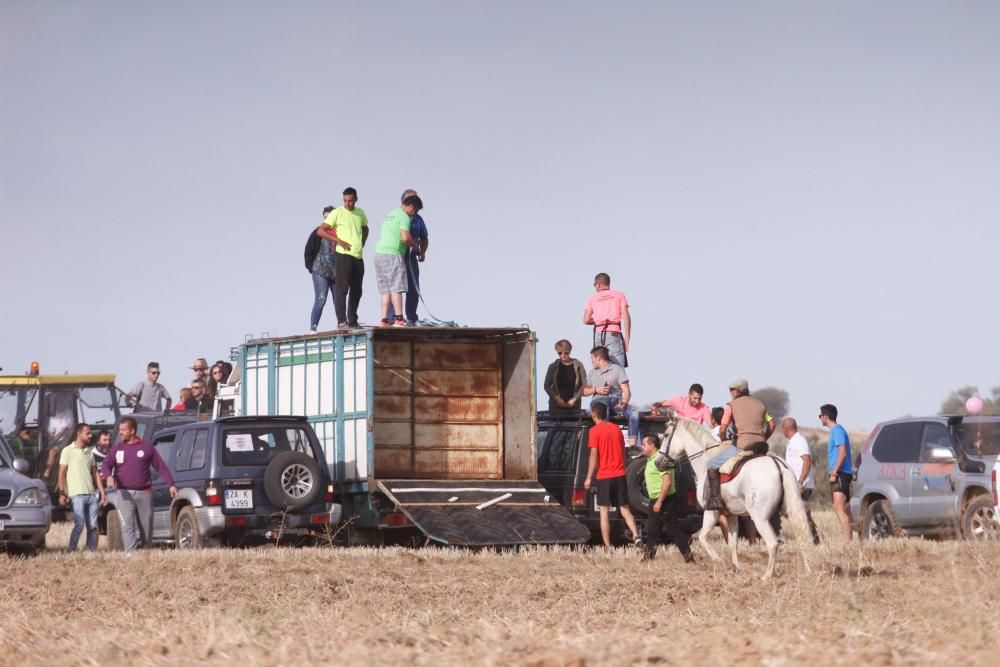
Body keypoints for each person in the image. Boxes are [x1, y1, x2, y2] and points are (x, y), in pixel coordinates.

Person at [101, 417, 177, 554]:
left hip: (144, 493)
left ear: (132, 431)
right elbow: (106, 465)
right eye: (119, 430)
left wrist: (171, 484)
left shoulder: (147, 447)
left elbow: (161, 466)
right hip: (124, 493)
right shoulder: (117, 449)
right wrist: (109, 476)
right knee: (127, 525)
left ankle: (147, 551)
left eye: (123, 430)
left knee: (146, 527)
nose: (120, 433)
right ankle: (130, 554)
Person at [704, 378, 775, 511]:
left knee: (712, 465)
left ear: (736, 391)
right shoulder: (761, 405)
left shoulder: (730, 406)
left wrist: (724, 441)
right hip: (761, 446)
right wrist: (764, 438)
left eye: (731, 390)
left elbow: (723, 428)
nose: (730, 393)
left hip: (741, 446)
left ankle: (715, 500)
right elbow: (772, 424)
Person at [583, 402, 640, 548]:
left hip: (604, 476)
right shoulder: (616, 429)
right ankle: (636, 535)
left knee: (604, 512)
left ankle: (608, 546)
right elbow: (622, 451)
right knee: (625, 509)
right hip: (620, 474)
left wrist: (589, 477)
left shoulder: (594, 431)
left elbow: (594, 456)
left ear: (594, 414)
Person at [317, 187, 368, 329]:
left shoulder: (360, 213)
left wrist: (362, 242)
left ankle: (353, 320)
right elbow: (321, 231)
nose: (348, 203)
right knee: (342, 289)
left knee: (357, 290)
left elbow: (366, 228)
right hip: (343, 254)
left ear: (356, 199)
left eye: (351, 201)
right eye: (345, 200)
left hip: (358, 256)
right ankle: (342, 321)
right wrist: (338, 240)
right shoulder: (337, 212)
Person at [639, 435, 694, 562]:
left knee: (673, 529)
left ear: (652, 446)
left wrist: (659, 502)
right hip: (656, 499)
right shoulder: (651, 459)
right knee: (652, 529)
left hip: (664, 499)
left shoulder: (661, 459)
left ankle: (688, 557)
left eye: (644, 444)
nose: (641, 447)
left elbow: (667, 482)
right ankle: (648, 556)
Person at [374, 195, 422, 327]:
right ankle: (399, 318)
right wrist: (415, 246)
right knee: (397, 288)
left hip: (379, 254)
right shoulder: (404, 217)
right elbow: (405, 237)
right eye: (416, 211)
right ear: (411, 206)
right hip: (393, 254)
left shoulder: (390, 214)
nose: (415, 214)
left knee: (385, 290)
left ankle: (384, 320)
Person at [58, 423, 106, 552]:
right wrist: (62, 493)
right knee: (79, 524)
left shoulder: (89, 452)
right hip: (76, 495)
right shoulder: (67, 451)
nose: (90, 435)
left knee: (93, 526)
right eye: (87, 433)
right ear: (79, 434)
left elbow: (95, 473)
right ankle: (71, 550)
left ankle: (90, 552)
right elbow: (62, 473)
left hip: (91, 495)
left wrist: (101, 491)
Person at [387, 188, 429, 325]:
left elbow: (424, 237)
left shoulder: (418, 219)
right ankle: (393, 317)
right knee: (395, 287)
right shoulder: (397, 215)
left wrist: (422, 251)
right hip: (397, 255)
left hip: (411, 256)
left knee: (413, 287)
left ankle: (411, 317)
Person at [582, 346, 639, 446]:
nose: (591, 361)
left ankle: (632, 446)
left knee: (634, 412)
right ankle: (606, 443)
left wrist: (624, 402)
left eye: (592, 358)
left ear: (598, 358)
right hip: (599, 401)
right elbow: (583, 391)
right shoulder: (592, 372)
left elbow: (626, 390)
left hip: (616, 401)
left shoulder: (617, 370)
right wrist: (596, 389)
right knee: (604, 410)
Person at [782, 417, 820, 544]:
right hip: (798, 484)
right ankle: (813, 541)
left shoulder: (799, 441)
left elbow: (807, 460)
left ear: (786, 429)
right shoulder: (794, 441)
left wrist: (801, 481)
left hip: (801, 484)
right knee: (802, 513)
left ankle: (813, 541)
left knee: (802, 513)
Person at [820, 404, 854, 541]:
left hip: (841, 473)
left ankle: (847, 542)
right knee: (845, 508)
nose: (820, 418)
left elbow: (843, 452)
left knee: (838, 506)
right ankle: (855, 537)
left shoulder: (837, 431)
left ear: (826, 417)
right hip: (841, 472)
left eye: (820, 416)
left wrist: (834, 472)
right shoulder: (836, 431)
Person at [582, 273, 631, 368]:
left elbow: (586, 320)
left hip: (598, 334)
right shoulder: (619, 295)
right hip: (614, 333)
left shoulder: (592, 299)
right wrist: (627, 339)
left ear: (598, 284)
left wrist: (598, 320)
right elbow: (626, 317)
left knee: (600, 367)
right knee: (617, 368)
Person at [309, 205, 337, 332]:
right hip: (320, 270)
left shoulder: (341, 232)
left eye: (329, 217)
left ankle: (341, 324)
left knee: (339, 300)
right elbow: (308, 250)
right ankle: (313, 328)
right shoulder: (318, 232)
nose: (326, 220)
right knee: (321, 298)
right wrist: (311, 267)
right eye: (325, 217)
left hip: (337, 272)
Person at [543, 339, 586, 412]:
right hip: (556, 408)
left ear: (570, 351)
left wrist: (575, 399)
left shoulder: (578, 365)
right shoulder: (553, 366)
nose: (563, 355)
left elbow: (585, 384)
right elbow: (546, 385)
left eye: (566, 353)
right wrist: (557, 399)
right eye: (560, 353)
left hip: (574, 407)